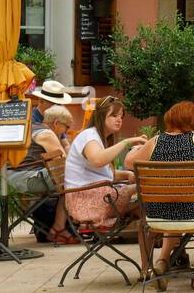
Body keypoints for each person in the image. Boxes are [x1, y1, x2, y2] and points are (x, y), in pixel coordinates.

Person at [125, 101, 194, 291]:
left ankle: (162, 262)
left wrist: (133, 149)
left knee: (174, 208)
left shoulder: (155, 142)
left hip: (159, 214)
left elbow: (128, 163)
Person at [63, 95, 148, 268]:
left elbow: (102, 173)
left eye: (121, 117)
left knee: (147, 205)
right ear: (101, 116)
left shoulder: (98, 138)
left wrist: (125, 175)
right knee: (148, 191)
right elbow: (97, 160)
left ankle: (153, 263)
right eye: (114, 116)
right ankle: (157, 262)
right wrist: (126, 142)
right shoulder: (89, 136)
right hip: (86, 201)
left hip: (93, 195)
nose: (119, 120)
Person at [7, 103, 77, 244]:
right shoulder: (46, 133)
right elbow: (62, 161)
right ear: (56, 123)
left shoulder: (33, 128)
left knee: (72, 178)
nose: (66, 131)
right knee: (74, 179)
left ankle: (62, 226)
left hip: (13, 176)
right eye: (66, 127)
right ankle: (59, 228)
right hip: (27, 177)